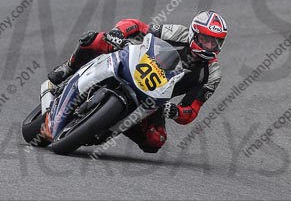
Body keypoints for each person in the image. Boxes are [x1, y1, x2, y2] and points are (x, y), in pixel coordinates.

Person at [48, 10, 227, 153]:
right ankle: (68, 68)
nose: (209, 46)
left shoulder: (212, 74)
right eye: (205, 40)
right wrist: (119, 32)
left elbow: (191, 110)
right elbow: (139, 26)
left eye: (215, 42)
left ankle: (114, 124)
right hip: (136, 65)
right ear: (194, 34)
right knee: (96, 39)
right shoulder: (178, 33)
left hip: (155, 100)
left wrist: (174, 111)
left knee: (156, 140)